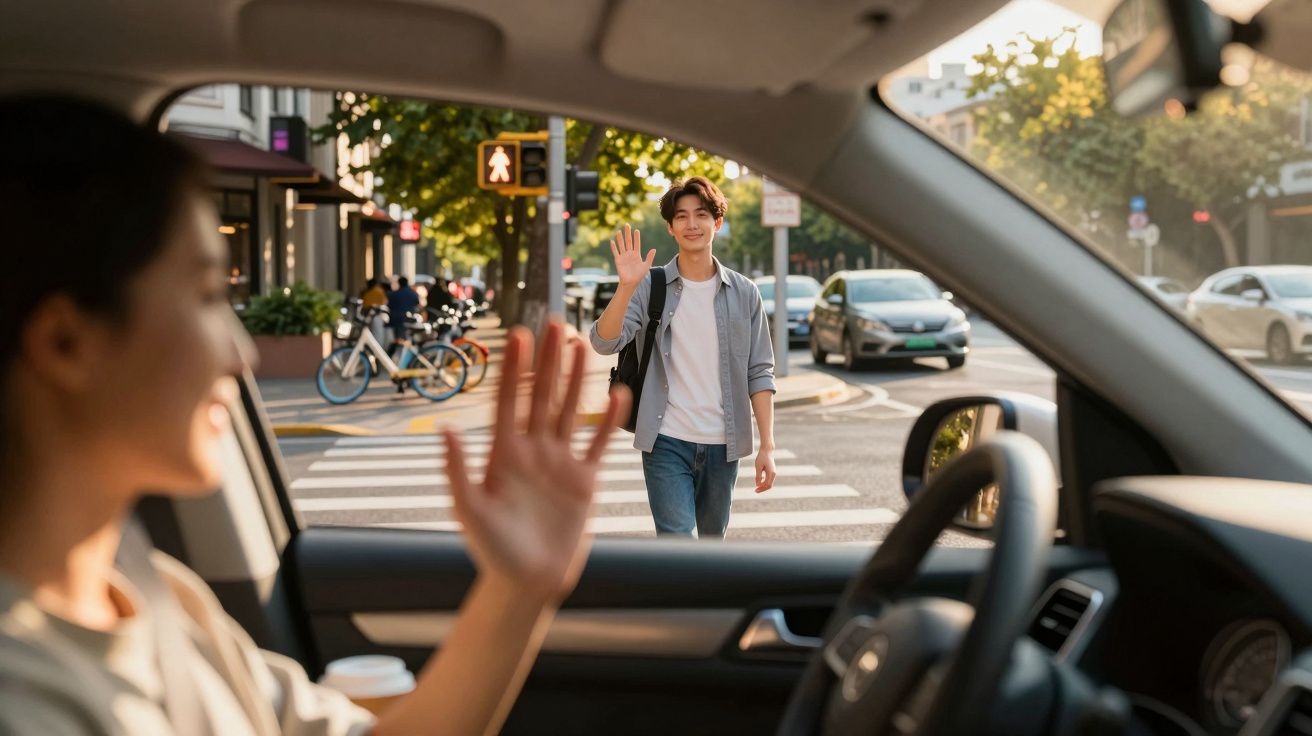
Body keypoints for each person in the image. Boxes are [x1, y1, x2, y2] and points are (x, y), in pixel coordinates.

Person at [0, 96, 629, 735]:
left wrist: (517, 590)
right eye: (210, 294)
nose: (241, 353)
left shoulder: (150, 588)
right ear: (65, 344)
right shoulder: (24, 696)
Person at [590, 176, 777, 538]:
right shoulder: (650, 286)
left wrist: (767, 446)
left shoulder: (744, 292)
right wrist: (627, 287)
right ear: (671, 228)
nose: (692, 224)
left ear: (717, 223)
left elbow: (760, 372)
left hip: (724, 445)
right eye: (681, 217)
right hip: (666, 440)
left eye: (701, 215)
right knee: (678, 541)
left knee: (709, 548)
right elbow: (603, 342)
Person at [386, 276, 421, 345]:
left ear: (399, 283)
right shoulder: (413, 294)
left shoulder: (394, 294)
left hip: (396, 319)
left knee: (398, 339)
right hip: (409, 319)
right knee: (407, 339)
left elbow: (389, 305)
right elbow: (417, 303)